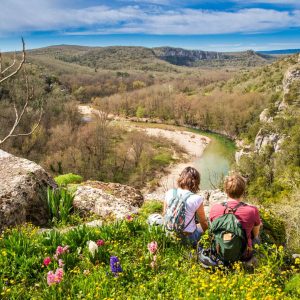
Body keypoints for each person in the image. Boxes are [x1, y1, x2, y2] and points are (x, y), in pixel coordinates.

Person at [209, 174, 262, 259]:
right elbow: (255, 233)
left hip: (219, 251)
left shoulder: (215, 208)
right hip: (243, 254)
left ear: (226, 191)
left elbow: (212, 227)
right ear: (243, 191)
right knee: (257, 238)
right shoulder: (252, 210)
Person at [163, 166, 208, 246]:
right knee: (201, 227)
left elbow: (165, 214)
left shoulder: (169, 193)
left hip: (170, 235)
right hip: (188, 238)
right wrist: (209, 235)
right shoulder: (197, 199)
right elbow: (203, 222)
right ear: (196, 182)